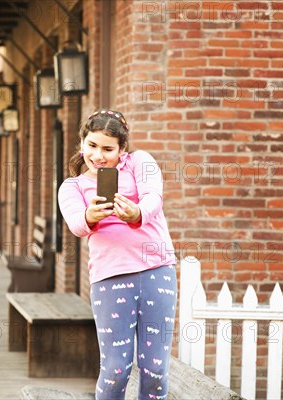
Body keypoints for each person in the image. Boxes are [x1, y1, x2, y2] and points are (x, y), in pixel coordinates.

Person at [58, 109, 177, 400]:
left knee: (155, 370)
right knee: (115, 369)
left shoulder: (140, 162)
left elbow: (154, 198)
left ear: (122, 148)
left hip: (156, 271)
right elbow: (76, 223)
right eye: (92, 146)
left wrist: (137, 212)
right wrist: (90, 215)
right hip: (110, 278)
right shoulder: (71, 186)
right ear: (82, 143)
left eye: (108, 149)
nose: (99, 156)